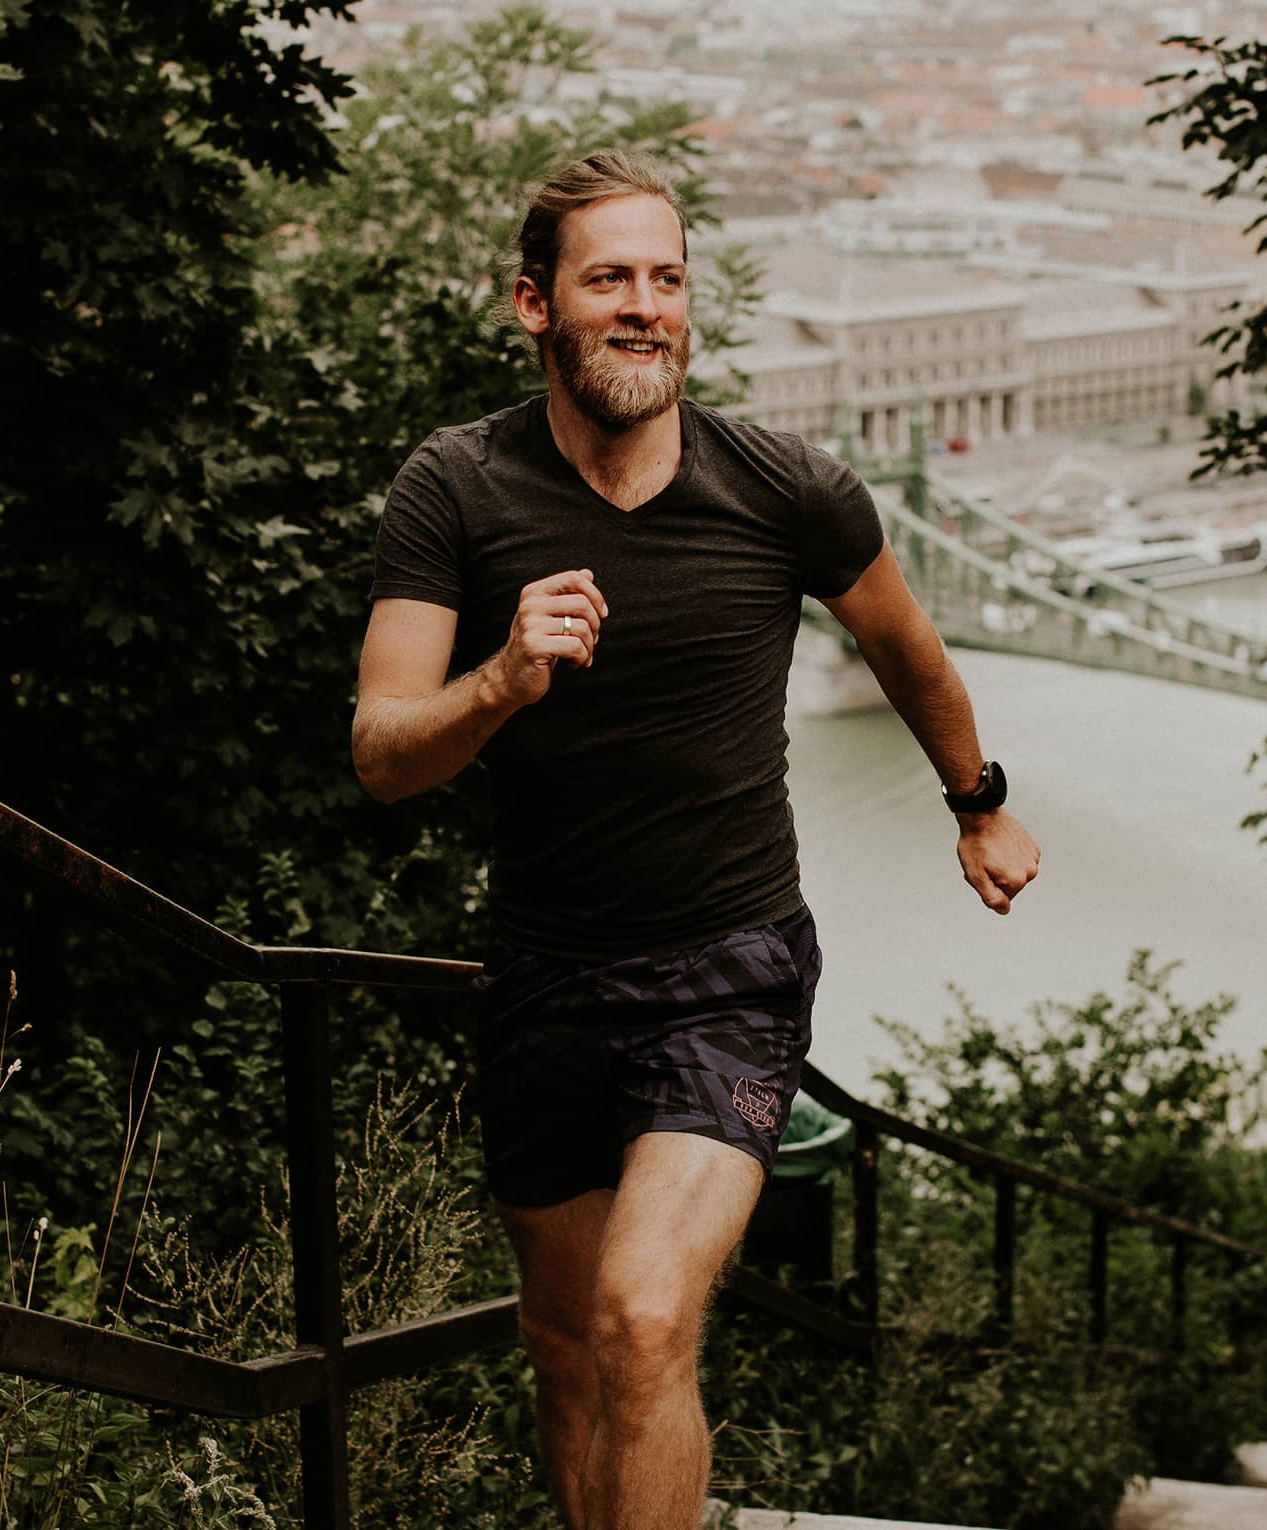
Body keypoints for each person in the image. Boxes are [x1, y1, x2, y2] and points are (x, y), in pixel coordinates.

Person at [351, 150, 1039, 1530]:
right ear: (533, 305)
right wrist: (497, 680)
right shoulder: (456, 488)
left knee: (644, 1318)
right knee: (563, 1348)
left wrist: (977, 797)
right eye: (608, 278)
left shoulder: (785, 487)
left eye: (667, 278)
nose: (645, 304)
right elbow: (380, 754)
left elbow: (905, 649)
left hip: (727, 970)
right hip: (541, 978)